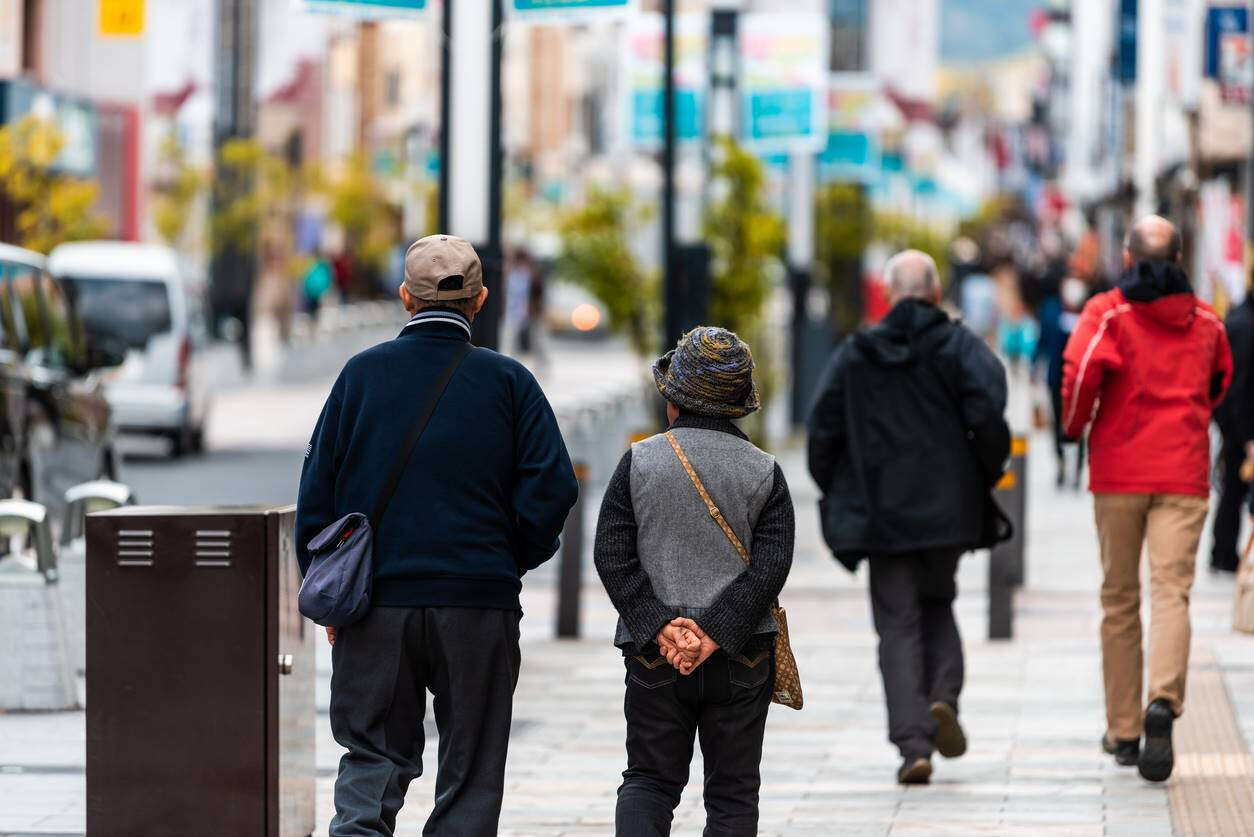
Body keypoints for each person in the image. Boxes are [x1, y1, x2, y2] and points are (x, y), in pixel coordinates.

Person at [295, 234, 579, 835]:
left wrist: (329, 594)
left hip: (376, 605)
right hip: (477, 602)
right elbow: (552, 488)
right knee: (470, 774)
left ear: (405, 297)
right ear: (480, 300)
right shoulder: (510, 383)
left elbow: (316, 493)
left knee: (370, 760)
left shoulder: (360, 378)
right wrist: (509, 558)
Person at [807, 250, 1010, 785]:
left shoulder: (857, 352)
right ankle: (942, 696)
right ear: (936, 292)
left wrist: (840, 490)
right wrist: (981, 474)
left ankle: (913, 743)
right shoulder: (960, 346)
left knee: (896, 623)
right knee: (939, 602)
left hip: (882, 512)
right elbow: (990, 414)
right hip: (948, 509)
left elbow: (822, 431)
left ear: (891, 293)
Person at [594, 326, 794, 836]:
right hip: (743, 652)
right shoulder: (765, 472)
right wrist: (715, 632)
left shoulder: (639, 461)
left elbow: (612, 555)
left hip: (654, 654)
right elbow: (772, 564)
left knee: (648, 781)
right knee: (732, 794)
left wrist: (659, 626)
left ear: (672, 399)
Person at [1061, 215, 1232, 783]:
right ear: (1180, 260)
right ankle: (1163, 700)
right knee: (1172, 592)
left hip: (1118, 473)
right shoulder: (1206, 319)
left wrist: (1075, 425)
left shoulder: (1107, 312)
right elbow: (1220, 380)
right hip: (1182, 472)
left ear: (1128, 259)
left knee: (1119, 598)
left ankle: (1125, 729)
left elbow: (1081, 372)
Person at [1212, 279, 1254, 573]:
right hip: (1242, 426)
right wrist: (1247, 436)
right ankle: (1224, 554)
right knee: (1233, 491)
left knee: (1232, 490)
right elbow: (1241, 386)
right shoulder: (1247, 325)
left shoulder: (1239, 318)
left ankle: (1223, 553)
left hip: (1234, 422)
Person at [1034, 276, 1089, 488]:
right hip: (1057, 377)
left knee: (1079, 425)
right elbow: (1043, 342)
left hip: (1080, 380)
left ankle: (1076, 470)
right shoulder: (1051, 312)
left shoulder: (1087, 315)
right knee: (1057, 423)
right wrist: (1034, 367)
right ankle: (1061, 464)